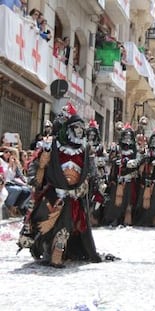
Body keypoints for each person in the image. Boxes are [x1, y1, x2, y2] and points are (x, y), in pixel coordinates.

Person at [17, 103, 102, 268]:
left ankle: (58, 255)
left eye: (81, 128)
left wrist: (94, 186)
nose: (79, 131)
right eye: (75, 127)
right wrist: (42, 165)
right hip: (53, 195)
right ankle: (47, 249)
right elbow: (36, 169)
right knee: (45, 226)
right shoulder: (51, 145)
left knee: (67, 226)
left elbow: (91, 171)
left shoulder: (85, 149)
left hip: (74, 196)